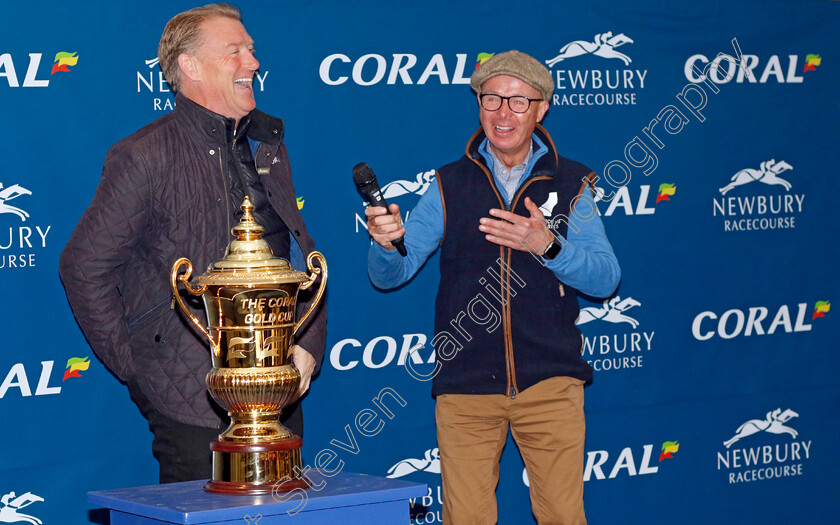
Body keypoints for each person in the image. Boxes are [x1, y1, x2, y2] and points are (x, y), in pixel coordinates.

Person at [58, 3, 325, 483]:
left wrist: (305, 340)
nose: (253, 63)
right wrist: (138, 367)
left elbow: (292, 248)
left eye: (252, 50)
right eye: (235, 52)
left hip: (275, 382)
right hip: (190, 394)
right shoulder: (143, 155)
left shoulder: (267, 144)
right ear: (190, 66)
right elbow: (83, 265)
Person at [366, 50, 620, 524]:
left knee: (564, 516)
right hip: (465, 388)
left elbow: (605, 279)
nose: (503, 113)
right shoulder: (447, 184)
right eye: (491, 98)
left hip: (551, 383)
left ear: (542, 108)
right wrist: (385, 244)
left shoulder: (571, 183)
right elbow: (391, 275)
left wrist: (548, 246)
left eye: (518, 101)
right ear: (479, 104)